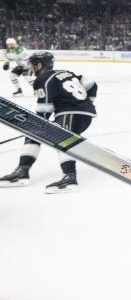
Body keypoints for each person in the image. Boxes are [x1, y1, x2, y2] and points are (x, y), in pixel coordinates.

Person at [0, 51, 97, 193]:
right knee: (35, 133)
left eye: (32, 64)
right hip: (80, 113)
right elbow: (91, 84)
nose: (30, 68)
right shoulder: (64, 72)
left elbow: (43, 112)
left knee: (60, 138)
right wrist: (88, 102)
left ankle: (70, 178)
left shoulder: (42, 80)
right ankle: (22, 170)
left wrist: (38, 127)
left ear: (39, 65)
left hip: (70, 113)